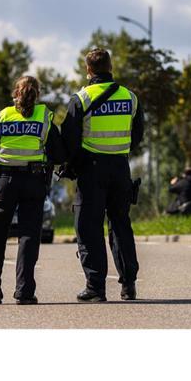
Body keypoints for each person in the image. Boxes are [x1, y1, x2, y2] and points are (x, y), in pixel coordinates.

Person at [0, 75, 64, 305]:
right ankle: (24, 292)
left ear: (15, 93)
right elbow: (60, 153)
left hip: (6, 181)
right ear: (37, 94)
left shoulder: (2, 117)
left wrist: (1, 158)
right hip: (34, 181)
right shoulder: (45, 117)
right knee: (28, 237)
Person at [61, 48, 143, 302]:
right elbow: (137, 135)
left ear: (88, 70)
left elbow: (69, 140)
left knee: (88, 228)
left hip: (91, 170)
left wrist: (70, 165)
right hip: (120, 167)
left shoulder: (81, 99)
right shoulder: (130, 97)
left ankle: (96, 287)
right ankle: (128, 285)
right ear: (111, 67)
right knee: (120, 225)